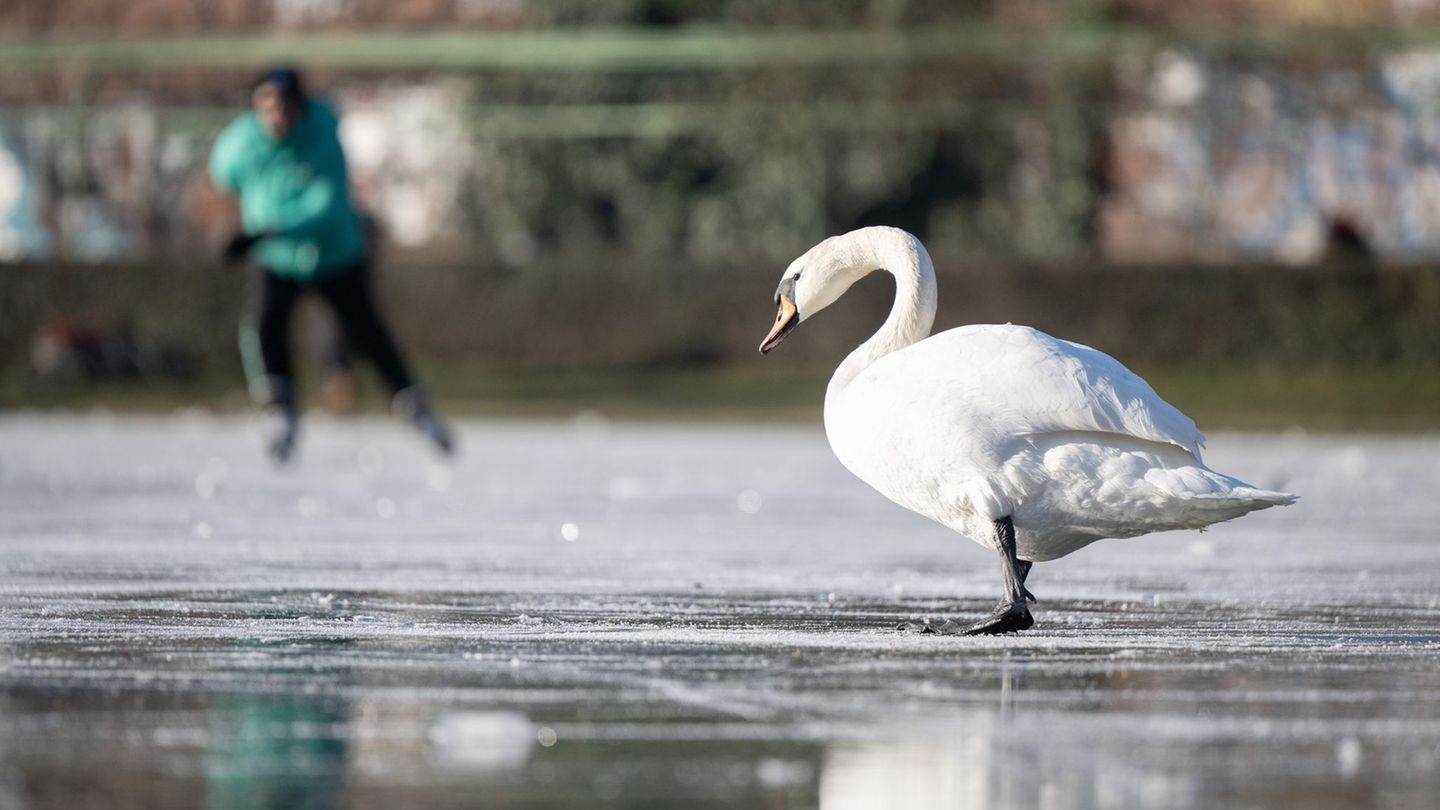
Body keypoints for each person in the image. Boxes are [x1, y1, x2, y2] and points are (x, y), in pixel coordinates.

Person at [210, 68, 453, 462]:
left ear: (301, 107)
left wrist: (268, 229)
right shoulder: (240, 144)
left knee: (369, 333)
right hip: (277, 258)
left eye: (286, 107)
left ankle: (415, 406)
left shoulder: (324, 136)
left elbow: (327, 205)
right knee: (264, 325)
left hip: (333, 254)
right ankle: (279, 407)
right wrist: (228, 225)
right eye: (268, 107)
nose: (278, 116)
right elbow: (223, 176)